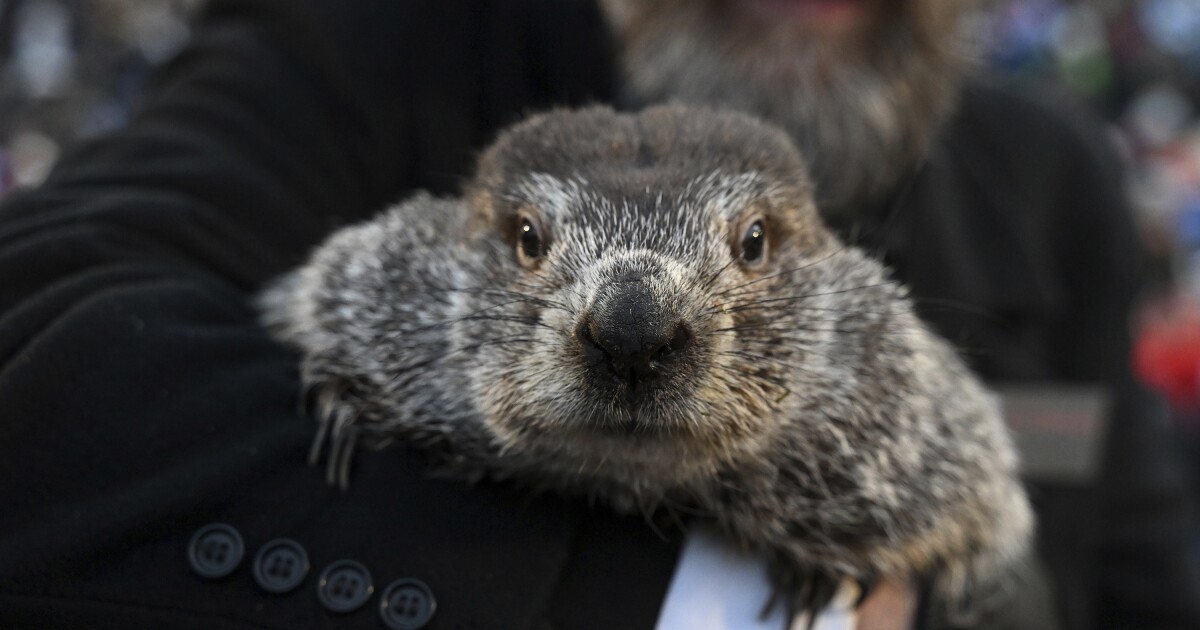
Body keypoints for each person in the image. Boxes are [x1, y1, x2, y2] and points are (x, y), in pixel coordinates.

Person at [0, 0, 1195, 628]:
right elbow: (42, 340)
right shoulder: (371, 44)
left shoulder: (1053, 178)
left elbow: (1126, 578)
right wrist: (689, 606)